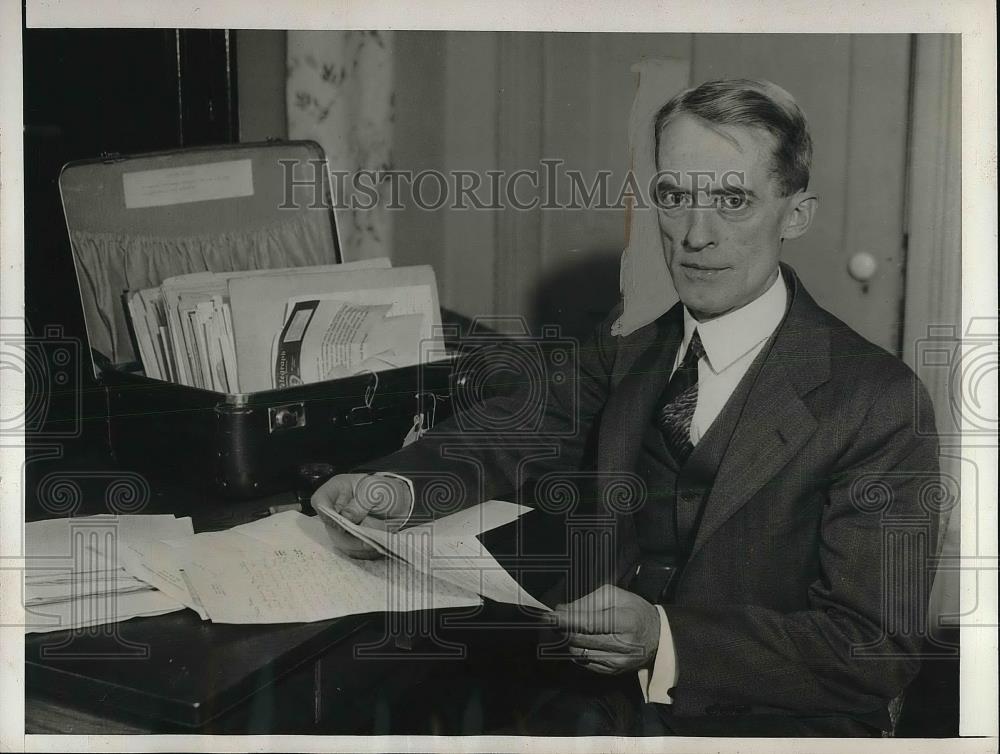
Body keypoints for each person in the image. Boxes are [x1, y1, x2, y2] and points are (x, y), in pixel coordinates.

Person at [314, 78, 941, 737]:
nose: (696, 235)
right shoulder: (629, 356)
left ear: (796, 214)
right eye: (674, 197)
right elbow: (504, 438)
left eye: (733, 200)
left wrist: (666, 640)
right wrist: (392, 489)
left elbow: (875, 646)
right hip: (603, 707)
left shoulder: (877, 400)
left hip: (772, 724)